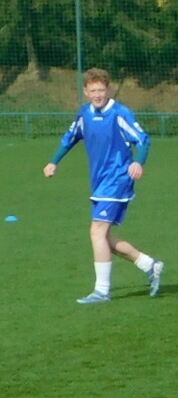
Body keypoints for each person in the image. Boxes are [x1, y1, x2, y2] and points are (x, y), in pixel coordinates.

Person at [44, 67, 165, 304]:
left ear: (108, 90)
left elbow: (143, 140)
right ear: (85, 92)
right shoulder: (84, 114)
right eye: (93, 91)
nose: (97, 94)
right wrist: (53, 161)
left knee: (96, 232)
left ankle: (102, 291)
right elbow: (69, 138)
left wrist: (138, 162)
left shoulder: (119, 113)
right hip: (99, 182)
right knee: (104, 238)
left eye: (101, 90)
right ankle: (150, 265)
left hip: (117, 179)